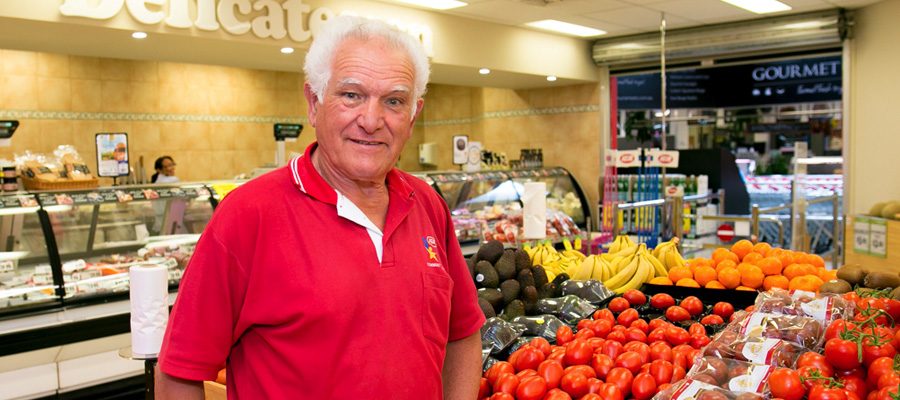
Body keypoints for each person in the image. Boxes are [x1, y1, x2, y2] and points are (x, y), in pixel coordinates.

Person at [156, 15, 485, 400]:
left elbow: (462, 333)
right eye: (351, 95)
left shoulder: (428, 204)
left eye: (394, 101)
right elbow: (179, 372)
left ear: (413, 116)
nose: (371, 120)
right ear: (314, 103)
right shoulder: (248, 215)